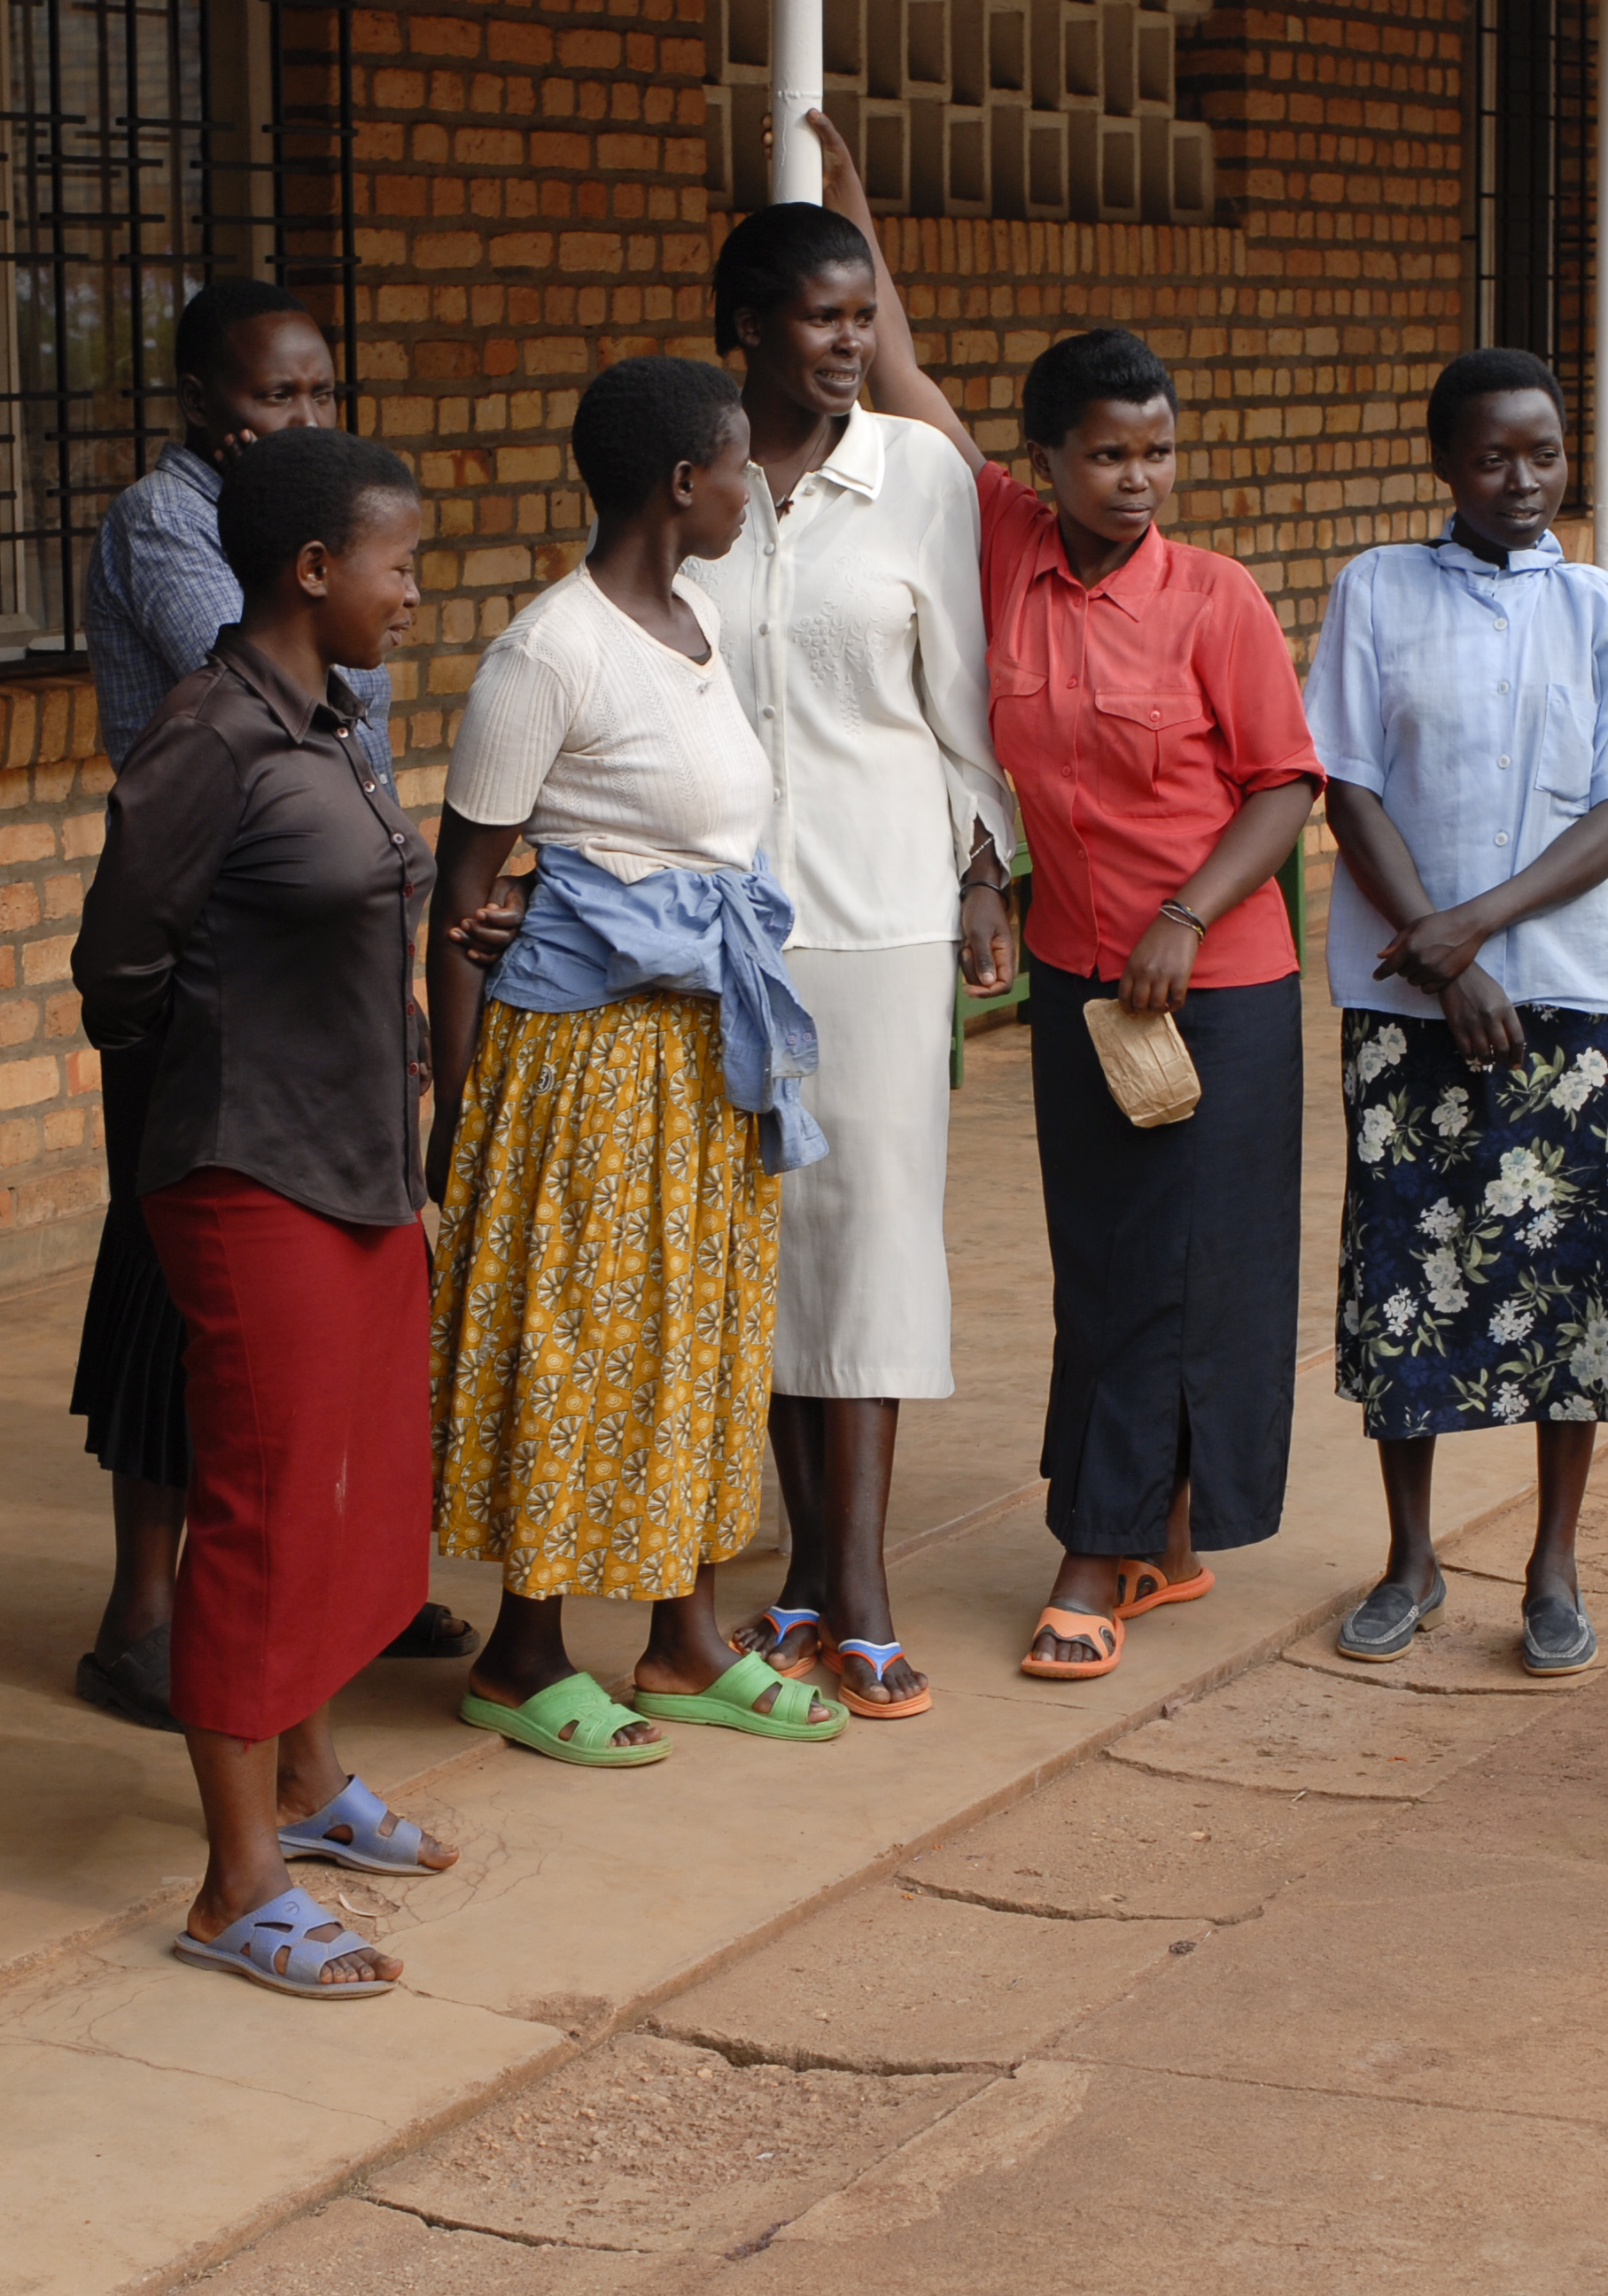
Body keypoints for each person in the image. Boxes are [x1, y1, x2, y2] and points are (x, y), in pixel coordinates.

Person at [816, 117, 1324, 1681]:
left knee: (1184, 1263)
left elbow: (1286, 781)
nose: (1138, 479)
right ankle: (1157, 1534)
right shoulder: (1002, 541)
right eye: (1108, 452)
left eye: (1158, 450)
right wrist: (847, 215)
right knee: (1105, 1258)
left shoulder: (1213, 595)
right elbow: (896, 375)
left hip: (1216, 985)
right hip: (1071, 981)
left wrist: (1184, 916)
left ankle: (1095, 1556)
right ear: (1046, 460)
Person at [70, 426, 465, 1999]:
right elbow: (122, 973)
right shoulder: (206, 739)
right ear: (315, 571)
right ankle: (238, 1886)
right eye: (401, 565)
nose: (416, 593)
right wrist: (234, 1078)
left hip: (359, 1163)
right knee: (266, 1507)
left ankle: (308, 1785)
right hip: (250, 1175)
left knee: (357, 1494)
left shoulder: (332, 716)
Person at [427, 355, 850, 1762]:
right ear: (686, 483)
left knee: (697, 1339)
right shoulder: (550, 651)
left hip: (704, 1052)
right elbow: (462, 893)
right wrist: (456, 1100)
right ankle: (524, 1651)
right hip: (587, 1066)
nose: (751, 491)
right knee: (578, 1339)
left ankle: (685, 1642)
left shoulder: (691, 621)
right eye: (739, 468)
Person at [687, 199, 1018, 1721]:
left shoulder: (920, 475)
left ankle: (862, 1587)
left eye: (863, 313)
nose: (849, 341)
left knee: (874, 1235)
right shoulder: (686, 477)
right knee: (768, 1241)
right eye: (822, 316)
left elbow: (964, 697)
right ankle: (804, 1570)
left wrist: (981, 874)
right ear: (748, 324)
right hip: (718, 927)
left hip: (882, 912)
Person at [1309, 348, 1608, 1677]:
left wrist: (1484, 924)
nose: (1523, 482)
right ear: (1444, 465)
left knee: (1573, 1285)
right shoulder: (1377, 591)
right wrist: (1439, 951)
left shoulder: (1599, 608)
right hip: (1411, 1002)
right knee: (1408, 1277)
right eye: (1492, 458)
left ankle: (1553, 1562)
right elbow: (1345, 784)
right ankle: (1410, 1557)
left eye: (1544, 454)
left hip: (1572, 998)